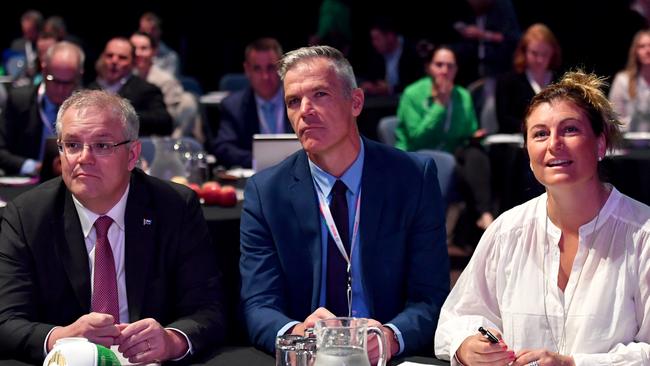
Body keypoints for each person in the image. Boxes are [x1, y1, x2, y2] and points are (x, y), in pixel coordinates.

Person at [239, 45, 449, 364]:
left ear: (356, 102)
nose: (305, 110)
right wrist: (297, 334)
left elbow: (431, 297)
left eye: (320, 94)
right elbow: (258, 304)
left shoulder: (412, 178)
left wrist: (389, 338)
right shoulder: (266, 192)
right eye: (293, 101)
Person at [435, 70, 650, 365]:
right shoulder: (506, 231)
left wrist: (573, 363)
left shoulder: (643, 234)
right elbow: (456, 319)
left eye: (570, 130)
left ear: (600, 144)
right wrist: (466, 345)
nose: (553, 144)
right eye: (540, 134)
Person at [0, 89, 224, 364]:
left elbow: (209, 308)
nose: (83, 158)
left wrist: (172, 339)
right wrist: (61, 337)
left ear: (132, 155)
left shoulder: (175, 207)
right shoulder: (27, 216)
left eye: (102, 145)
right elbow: (6, 319)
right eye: (72, 144)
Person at [396, 45, 494, 230]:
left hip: (451, 154)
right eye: (439, 65)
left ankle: (484, 214)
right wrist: (439, 105)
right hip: (416, 155)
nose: (444, 71)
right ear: (429, 67)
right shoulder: (413, 94)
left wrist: (474, 135)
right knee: (450, 165)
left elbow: (467, 131)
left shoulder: (462, 95)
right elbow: (417, 137)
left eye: (450, 66)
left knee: (476, 154)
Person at [0, 41, 84, 176]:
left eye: (68, 83)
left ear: (79, 75)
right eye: (54, 80)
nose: (60, 89)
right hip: (27, 181)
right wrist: (33, 167)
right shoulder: (19, 100)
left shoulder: (88, 109)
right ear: (44, 70)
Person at [211, 38, 290, 168]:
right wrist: (260, 161)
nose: (265, 76)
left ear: (282, 68)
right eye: (257, 69)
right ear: (247, 70)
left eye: (270, 68)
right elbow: (223, 148)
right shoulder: (233, 106)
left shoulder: (299, 102)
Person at [90, 37, 173, 136]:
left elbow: (165, 123)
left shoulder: (146, 90)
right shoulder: (90, 88)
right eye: (109, 55)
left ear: (133, 62)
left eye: (122, 57)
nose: (114, 61)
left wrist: (124, 115)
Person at [130, 31, 202, 140]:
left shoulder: (166, 81)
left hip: (159, 137)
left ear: (154, 52)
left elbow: (168, 121)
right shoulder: (123, 77)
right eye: (134, 48)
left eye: (143, 48)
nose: (138, 53)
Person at [496, 23, 562, 134]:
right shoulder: (508, 81)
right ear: (524, 52)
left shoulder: (561, 81)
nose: (539, 59)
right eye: (534, 53)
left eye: (545, 54)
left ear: (553, 53)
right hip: (517, 143)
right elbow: (504, 120)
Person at [360, 16, 424, 96]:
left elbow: (417, 84)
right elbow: (372, 77)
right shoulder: (376, 54)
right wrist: (370, 85)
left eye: (377, 39)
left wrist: (391, 89)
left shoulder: (412, 52)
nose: (374, 43)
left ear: (390, 37)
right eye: (373, 39)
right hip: (384, 103)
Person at [609, 29, 650, 132]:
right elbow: (614, 119)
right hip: (630, 143)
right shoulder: (622, 80)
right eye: (642, 46)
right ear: (635, 51)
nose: (647, 50)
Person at [139, 12, 180, 76]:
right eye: (144, 30)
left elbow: (168, 82)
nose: (147, 33)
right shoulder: (134, 52)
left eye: (152, 29)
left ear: (159, 31)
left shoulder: (171, 56)